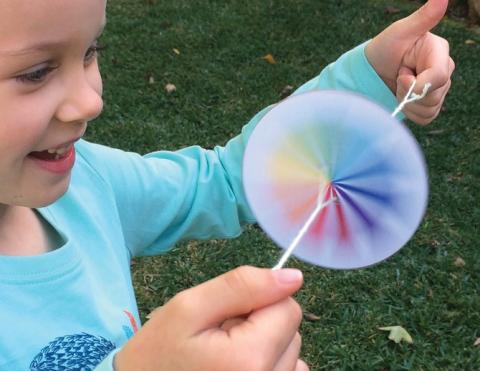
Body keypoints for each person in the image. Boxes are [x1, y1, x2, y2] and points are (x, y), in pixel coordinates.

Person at [0, 0, 453, 370]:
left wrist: (370, 74)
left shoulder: (91, 182)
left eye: (89, 51)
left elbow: (224, 180)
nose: (90, 100)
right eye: (36, 71)